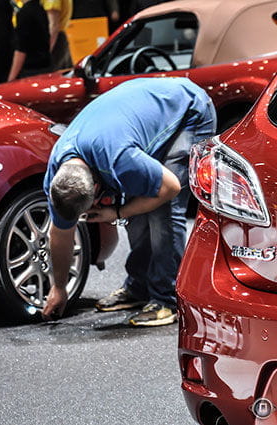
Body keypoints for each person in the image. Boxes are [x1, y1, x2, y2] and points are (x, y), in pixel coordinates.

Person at [41, 77, 216, 327]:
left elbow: (169, 188)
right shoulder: (57, 176)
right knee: (139, 198)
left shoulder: (119, 159)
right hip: (138, 113)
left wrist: (117, 211)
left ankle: (167, 299)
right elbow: (60, 233)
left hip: (189, 110)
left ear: (97, 186)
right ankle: (139, 288)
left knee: (163, 209)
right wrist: (59, 287)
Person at [7, 0, 52, 81]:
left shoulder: (24, 13)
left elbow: (21, 49)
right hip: (45, 67)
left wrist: (11, 78)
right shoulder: (40, 9)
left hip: (30, 70)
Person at [40, 0, 73, 70]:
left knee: (49, 76)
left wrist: (45, 52)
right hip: (56, 38)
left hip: (52, 40)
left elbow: (53, 25)